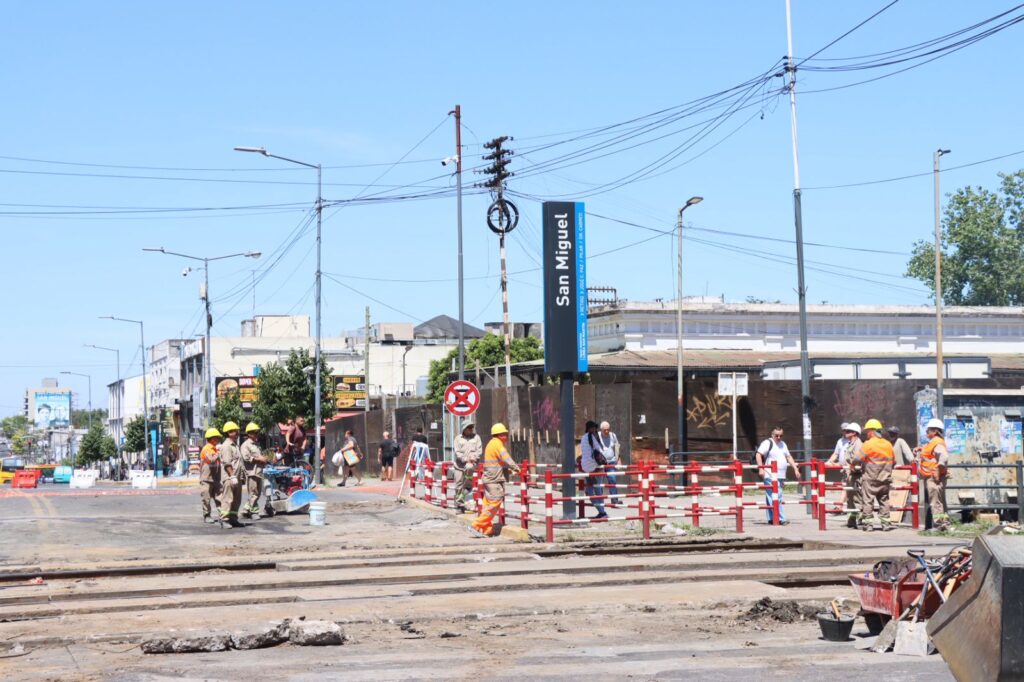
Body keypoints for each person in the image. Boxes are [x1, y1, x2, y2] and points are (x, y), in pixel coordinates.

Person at [470, 423, 520, 537]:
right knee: (495, 502)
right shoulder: (498, 444)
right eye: (505, 434)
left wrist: (510, 471)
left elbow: (498, 463)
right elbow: (506, 458)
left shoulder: (491, 444)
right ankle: (476, 524)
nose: (506, 436)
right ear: (499, 435)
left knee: (488, 505)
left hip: (489, 478)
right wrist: (517, 468)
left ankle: (487, 529)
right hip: (494, 480)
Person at [755, 427, 802, 525]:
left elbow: (788, 456)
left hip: (780, 475)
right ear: (772, 435)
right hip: (769, 474)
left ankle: (772, 518)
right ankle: (781, 518)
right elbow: (758, 454)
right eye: (776, 435)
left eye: (781, 435)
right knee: (776, 496)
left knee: (772, 496)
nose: (779, 437)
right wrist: (760, 468)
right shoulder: (767, 443)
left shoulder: (783, 444)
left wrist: (795, 468)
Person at [855, 418, 895, 531]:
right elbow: (894, 461)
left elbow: (857, 459)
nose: (866, 434)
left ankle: (868, 525)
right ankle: (885, 524)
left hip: (870, 478)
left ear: (872, 431)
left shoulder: (868, 444)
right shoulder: (888, 444)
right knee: (884, 501)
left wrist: (853, 465)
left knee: (868, 500)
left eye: (867, 431)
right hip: (885, 478)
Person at [913, 418, 952, 531]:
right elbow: (930, 453)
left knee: (935, 503)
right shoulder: (933, 442)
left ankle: (939, 525)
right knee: (940, 502)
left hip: (934, 477)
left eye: (928, 430)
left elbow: (943, 457)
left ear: (935, 431)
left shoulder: (937, 443)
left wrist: (938, 472)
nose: (926, 432)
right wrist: (920, 449)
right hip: (933, 476)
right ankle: (945, 524)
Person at [579, 420, 609, 520]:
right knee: (598, 491)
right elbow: (599, 451)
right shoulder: (593, 437)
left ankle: (601, 512)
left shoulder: (583, 438)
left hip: (586, 468)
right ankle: (602, 512)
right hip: (596, 467)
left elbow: (585, 452)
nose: (595, 429)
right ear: (590, 428)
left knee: (590, 492)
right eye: (594, 427)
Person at [217, 421, 244, 528]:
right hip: (230, 477)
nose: (237, 433)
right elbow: (227, 463)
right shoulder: (227, 446)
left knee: (236, 500)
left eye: (237, 431)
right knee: (228, 499)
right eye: (235, 431)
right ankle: (224, 519)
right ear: (229, 433)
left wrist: (240, 477)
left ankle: (233, 518)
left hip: (236, 477)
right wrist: (232, 476)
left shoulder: (235, 445)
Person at [453, 422, 483, 512]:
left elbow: (479, 450)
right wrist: (465, 459)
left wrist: (473, 458)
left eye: (472, 427)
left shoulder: (476, 437)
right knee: (458, 485)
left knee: (469, 467)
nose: (471, 429)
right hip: (459, 465)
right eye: (469, 428)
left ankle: (468, 485)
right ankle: (459, 504)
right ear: (464, 429)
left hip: (472, 463)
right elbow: (457, 452)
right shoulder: (458, 438)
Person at [240, 422, 268, 518]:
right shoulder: (245, 445)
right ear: (249, 434)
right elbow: (246, 458)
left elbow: (258, 456)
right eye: (255, 433)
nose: (257, 434)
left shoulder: (256, 445)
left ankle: (246, 509)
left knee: (257, 493)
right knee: (254, 493)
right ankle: (254, 512)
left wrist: (264, 459)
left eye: (257, 432)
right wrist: (259, 459)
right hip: (251, 472)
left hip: (258, 472)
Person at [199, 428, 222, 524]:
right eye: (217, 438)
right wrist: (218, 453)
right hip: (206, 479)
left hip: (216, 478)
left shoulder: (216, 448)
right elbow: (211, 460)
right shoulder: (206, 449)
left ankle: (223, 515)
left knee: (219, 497)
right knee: (206, 498)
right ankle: (207, 515)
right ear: (212, 438)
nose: (219, 439)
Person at [598, 421, 621, 505]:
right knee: (599, 482)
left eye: (608, 429)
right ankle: (599, 500)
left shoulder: (613, 435)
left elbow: (617, 447)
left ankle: (614, 499)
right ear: (601, 430)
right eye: (605, 430)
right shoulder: (597, 436)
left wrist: (618, 459)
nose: (607, 431)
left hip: (611, 461)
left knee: (612, 479)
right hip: (600, 463)